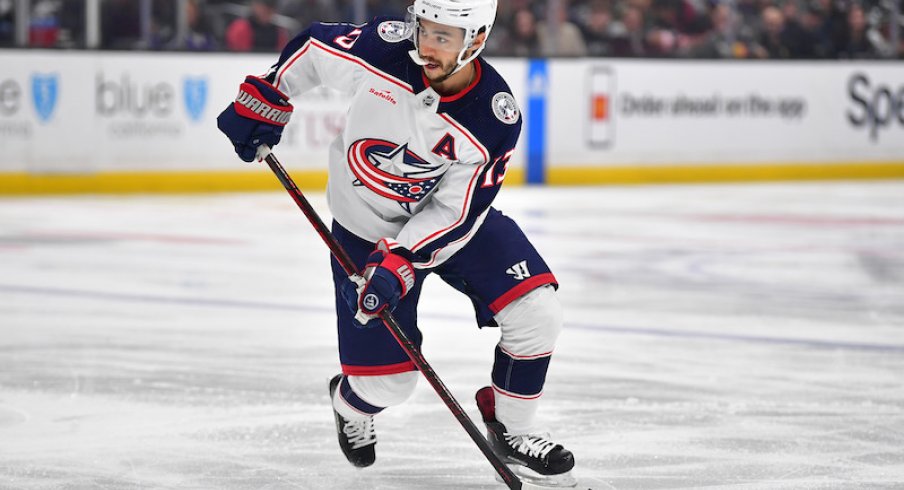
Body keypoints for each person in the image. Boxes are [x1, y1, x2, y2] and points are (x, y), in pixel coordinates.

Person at [216, 0, 576, 486]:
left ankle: (512, 431)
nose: (427, 45)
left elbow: (456, 211)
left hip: (450, 230)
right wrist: (268, 94)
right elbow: (316, 47)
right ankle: (347, 401)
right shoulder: (383, 51)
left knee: (537, 311)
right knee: (387, 386)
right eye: (424, 29)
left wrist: (402, 259)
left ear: (476, 42)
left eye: (444, 37)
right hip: (363, 229)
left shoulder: (493, 115)